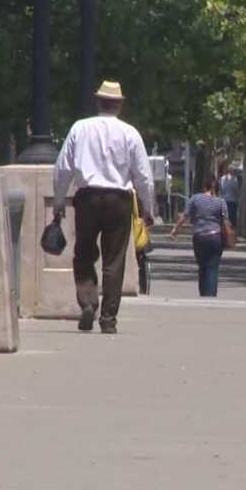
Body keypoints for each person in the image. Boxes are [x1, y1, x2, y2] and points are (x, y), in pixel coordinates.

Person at [53, 80, 155, 335]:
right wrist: (148, 208)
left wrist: (58, 201)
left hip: (87, 198)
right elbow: (143, 175)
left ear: (98, 102)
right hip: (119, 200)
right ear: (119, 105)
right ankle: (108, 319)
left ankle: (88, 302)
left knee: (84, 254)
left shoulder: (80, 128)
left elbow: (63, 168)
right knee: (114, 260)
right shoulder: (130, 133)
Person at [169, 174, 232, 297]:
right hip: (215, 237)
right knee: (212, 267)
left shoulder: (195, 199)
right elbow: (226, 222)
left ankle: (203, 293)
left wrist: (175, 230)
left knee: (202, 266)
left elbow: (184, 216)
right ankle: (210, 296)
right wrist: (230, 237)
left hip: (199, 237)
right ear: (215, 186)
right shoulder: (221, 202)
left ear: (204, 185)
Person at [218, 161, 241, 228]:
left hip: (223, 200)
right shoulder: (235, 180)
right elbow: (236, 191)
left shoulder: (222, 179)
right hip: (232, 201)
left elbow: (220, 190)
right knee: (231, 219)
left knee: (224, 218)